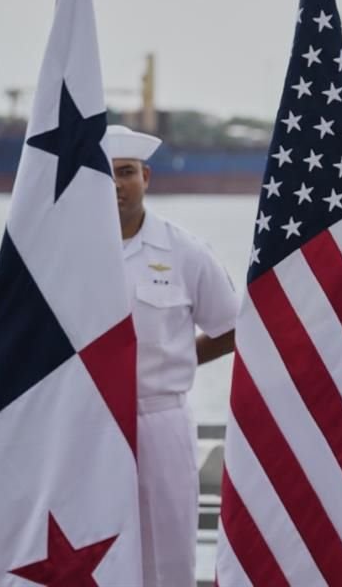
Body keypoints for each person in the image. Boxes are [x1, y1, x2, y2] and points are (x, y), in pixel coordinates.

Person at [105, 124, 239, 587]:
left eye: (126, 172)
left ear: (147, 177)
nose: (116, 184)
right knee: (87, 545)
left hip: (158, 417)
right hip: (86, 419)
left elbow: (232, 327)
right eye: (105, 174)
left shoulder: (183, 252)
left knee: (166, 550)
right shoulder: (68, 252)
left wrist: (185, 357)